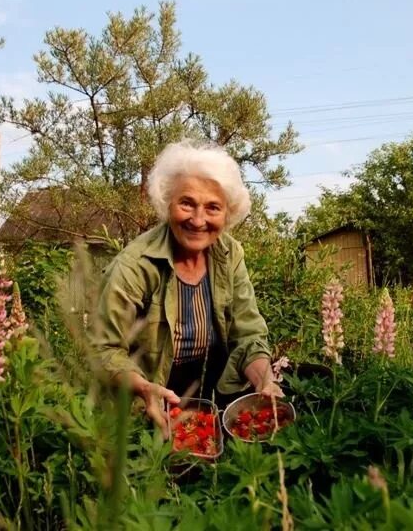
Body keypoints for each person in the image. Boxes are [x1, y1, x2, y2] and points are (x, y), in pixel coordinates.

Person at [91, 141, 283, 438]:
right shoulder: (134, 265)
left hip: (217, 395)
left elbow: (248, 335)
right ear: (167, 203)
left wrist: (264, 382)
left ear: (228, 213)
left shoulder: (229, 254)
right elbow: (104, 350)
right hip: (154, 398)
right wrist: (143, 389)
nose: (198, 220)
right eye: (187, 203)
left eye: (213, 207)